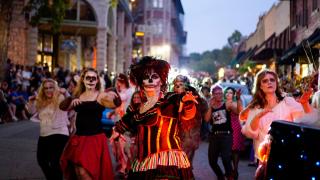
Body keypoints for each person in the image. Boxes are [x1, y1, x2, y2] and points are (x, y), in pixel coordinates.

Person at [112, 56, 198, 179]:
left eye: (155, 76)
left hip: (166, 162)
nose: (151, 80)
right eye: (147, 77)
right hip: (142, 164)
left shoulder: (170, 99)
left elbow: (188, 113)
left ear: (162, 81)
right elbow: (126, 121)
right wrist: (116, 131)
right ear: (141, 82)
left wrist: (188, 103)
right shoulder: (137, 107)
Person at [59, 68, 121, 180]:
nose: (91, 80)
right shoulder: (78, 95)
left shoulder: (101, 95)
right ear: (83, 80)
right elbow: (63, 108)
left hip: (94, 139)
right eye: (88, 78)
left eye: (94, 78)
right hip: (79, 138)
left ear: (97, 81)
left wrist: (113, 93)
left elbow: (114, 104)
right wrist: (71, 100)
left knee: (85, 171)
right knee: (77, 170)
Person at [241, 69, 313, 163]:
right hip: (264, 157)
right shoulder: (255, 107)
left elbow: (308, 119)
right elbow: (252, 133)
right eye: (265, 81)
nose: (269, 82)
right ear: (260, 86)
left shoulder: (287, 101)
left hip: (287, 153)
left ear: (276, 83)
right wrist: (257, 117)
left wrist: (304, 104)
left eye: (272, 80)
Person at [26, 79, 70, 180]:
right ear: (43, 90)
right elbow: (31, 112)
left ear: (55, 88)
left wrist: (66, 93)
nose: (48, 90)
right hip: (44, 134)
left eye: (51, 87)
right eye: (46, 88)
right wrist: (31, 101)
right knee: (41, 160)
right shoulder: (41, 100)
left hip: (59, 133)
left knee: (54, 161)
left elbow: (69, 104)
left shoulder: (60, 97)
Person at [173, 75, 208, 166]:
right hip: (175, 137)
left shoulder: (195, 98)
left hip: (189, 137)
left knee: (185, 164)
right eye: (176, 85)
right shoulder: (172, 98)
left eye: (180, 84)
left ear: (186, 86)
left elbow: (204, 108)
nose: (178, 87)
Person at [204, 85, 234, 180]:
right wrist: (210, 105)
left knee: (226, 159)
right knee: (212, 161)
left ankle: (230, 176)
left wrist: (237, 99)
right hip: (214, 136)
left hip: (226, 135)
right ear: (213, 95)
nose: (219, 95)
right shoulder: (211, 106)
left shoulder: (227, 104)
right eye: (216, 94)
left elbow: (236, 109)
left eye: (220, 93)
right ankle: (220, 176)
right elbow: (207, 119)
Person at [224, 86, 244, 179]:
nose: (228, 94)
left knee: (235, 151)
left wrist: (239, 98)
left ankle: (235, 171)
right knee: (227, 151)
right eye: (227, 92)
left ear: (234, 95)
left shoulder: (235, 103)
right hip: (226, 128)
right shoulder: (222, 103)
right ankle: (230, 171)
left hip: (235, 127)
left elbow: (240, 111)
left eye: (231, 92)